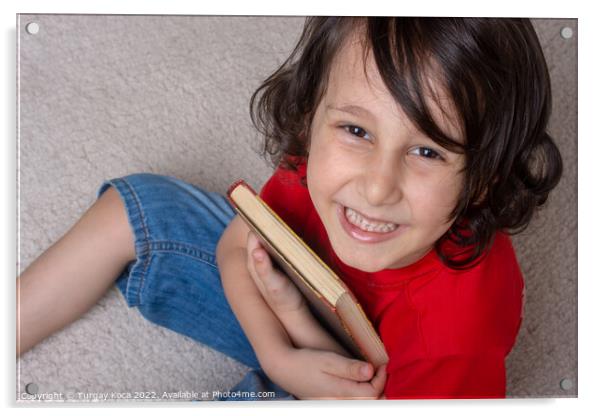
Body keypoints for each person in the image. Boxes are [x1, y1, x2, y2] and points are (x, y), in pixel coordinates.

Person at [17, 17, 563, 400]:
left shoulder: (458, 335)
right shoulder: (318, 167)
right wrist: (280, 346)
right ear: (311, 117)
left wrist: (304, 381)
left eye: (426, 151)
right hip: (298, 303)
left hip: (375, 391)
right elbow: (237, 242)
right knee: (139, 205)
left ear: (484, 182)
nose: (375, 188)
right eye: (356, 130)